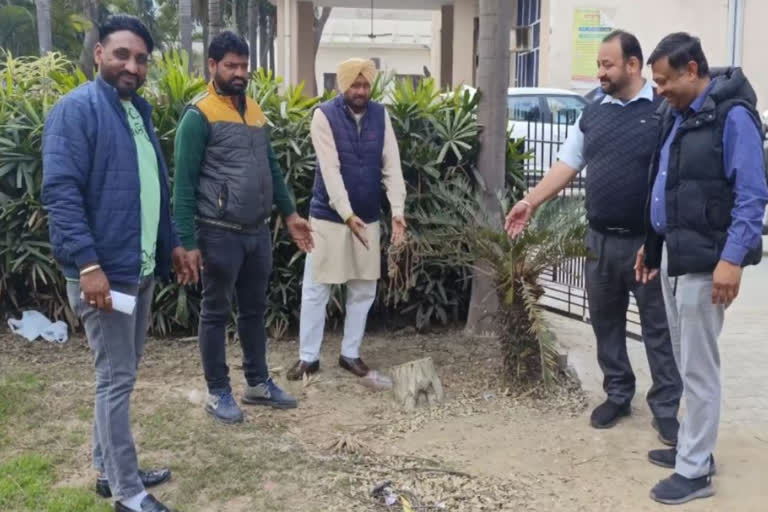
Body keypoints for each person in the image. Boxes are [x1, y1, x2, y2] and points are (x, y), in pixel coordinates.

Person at [41, 14, 191, 512]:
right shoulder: (77, 109)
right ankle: (128, 491)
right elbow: (61, 194)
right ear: (99, 53)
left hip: (138, 268)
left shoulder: (138, 112)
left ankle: (109, 469)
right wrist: (87, 266)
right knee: (116, 376)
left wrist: (169, 244)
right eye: (122, 54)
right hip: (103, 275)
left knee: (119, 373)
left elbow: (153, 191)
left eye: (141, 58)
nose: (133, 64)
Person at [504, 31, 682, 440]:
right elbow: (567, 163)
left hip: (646, 245)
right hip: (599, 240)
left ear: (633, 66)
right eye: (599, 64)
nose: (599, 72)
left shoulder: (661, 112)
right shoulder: (594, 113)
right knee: (606, 323)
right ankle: (618, 393)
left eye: (607, 65)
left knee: (657, 328)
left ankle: (666, 406)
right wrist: (531, 202)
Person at [636, 33, 768, 505]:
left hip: (708, 261)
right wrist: (652, 247)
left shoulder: (733, 118)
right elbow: (664, 184)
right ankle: (696, 449)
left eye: (666, 80)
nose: (660, 90)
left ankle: (694, 471)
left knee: (699, 366)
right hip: (676, 253)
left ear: (692, 70)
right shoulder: (679, 115)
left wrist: (731, 260)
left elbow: (753, 195)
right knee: (685, 358)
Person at [173, 31, 313, 424]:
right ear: (212, 66)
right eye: (231, 66)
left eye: (243, 66)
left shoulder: (254, 110)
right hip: (217, 231)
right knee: (215, 312)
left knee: (254, 309)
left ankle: (256, 383)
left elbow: (271, 167)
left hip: (257, 231)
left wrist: (289, 214)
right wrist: (188, 241)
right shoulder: (197, 115)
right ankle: (218, 391)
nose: (239, 73)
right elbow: (182, 185)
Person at [286, 58, 407, 381]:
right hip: (327, 216)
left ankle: (350, 354)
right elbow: (330, 170)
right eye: (355, 85)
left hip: (367, 217)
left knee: (364, 289)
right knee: (316, 288)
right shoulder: (323, 116)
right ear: (343, 86)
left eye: (365, 85)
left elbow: (392, 167)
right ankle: (308, 358)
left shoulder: (381, 116)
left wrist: (397, 212)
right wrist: (346, 213)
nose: (360, 91)